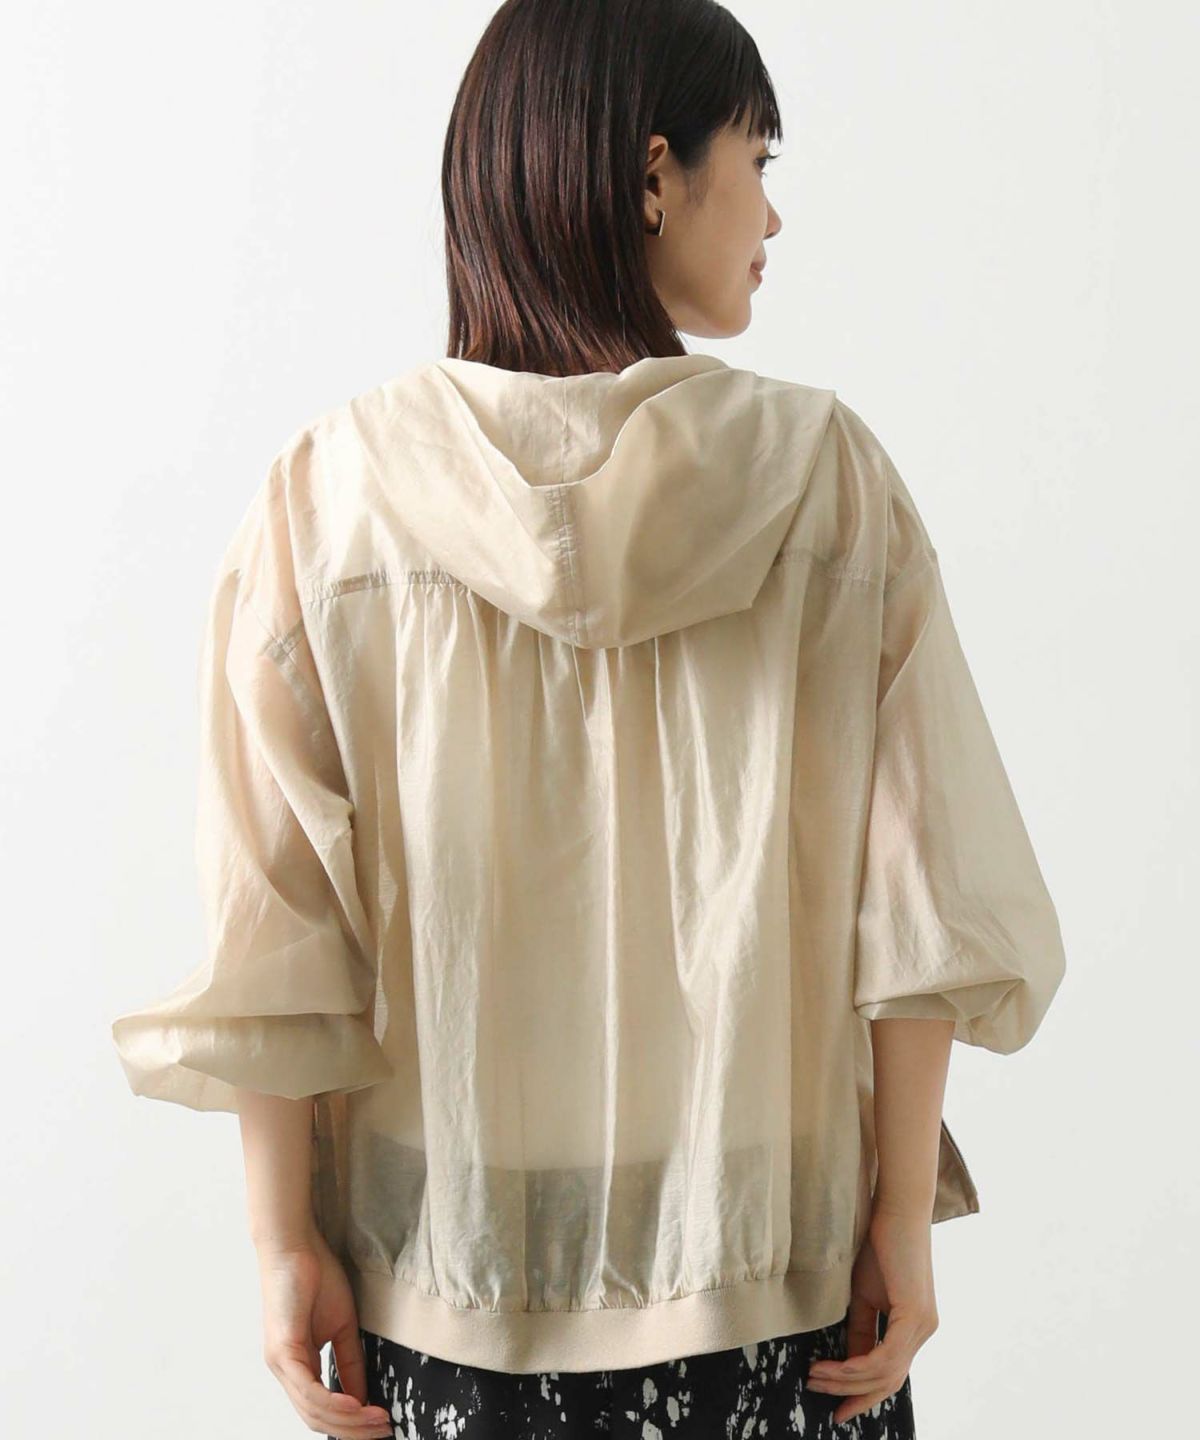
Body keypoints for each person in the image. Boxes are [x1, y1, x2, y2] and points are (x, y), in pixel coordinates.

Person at [110, 1, 1067, 1436]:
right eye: (760, 160)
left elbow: (278, 915)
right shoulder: (825, 481)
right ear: (655, 173)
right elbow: (919, 899)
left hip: (447, 1281)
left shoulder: (332, 497)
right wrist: (898, 1221)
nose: (773, 215)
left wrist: (283, 1239)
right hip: (773, 1281)